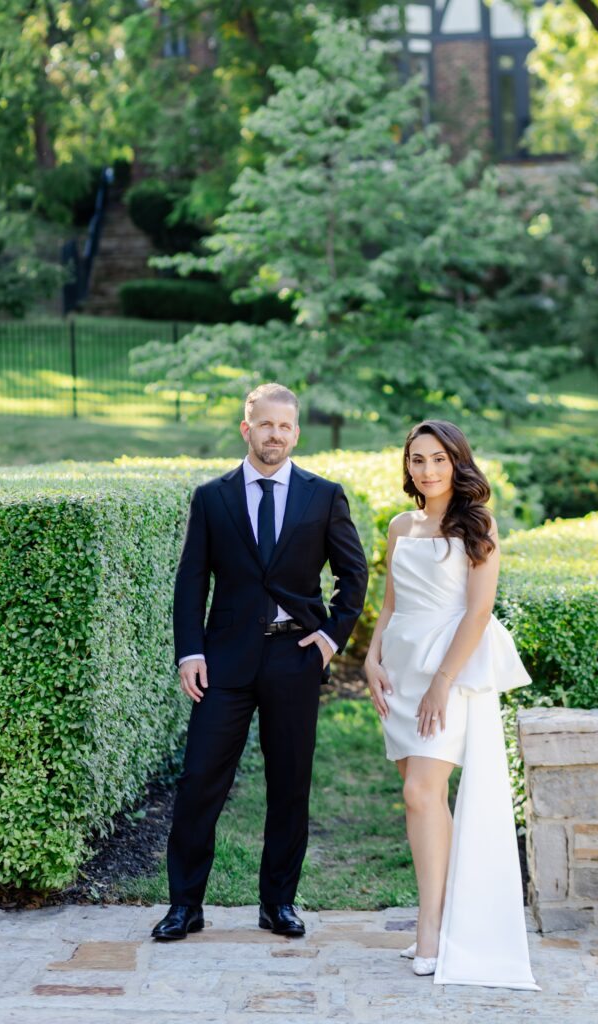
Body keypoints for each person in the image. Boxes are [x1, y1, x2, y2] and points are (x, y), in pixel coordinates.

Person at [152, 383, 368, 941]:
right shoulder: (212, 496)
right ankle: (184, 905)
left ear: (296, 433)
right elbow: (191, 580)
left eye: (286, 426)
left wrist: (328, 639)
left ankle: (278, 903)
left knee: (290, 783)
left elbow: (353, 575)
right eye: (265, 424)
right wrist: (190, 650)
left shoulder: (323, 496)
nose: (276, 434)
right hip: (224, 661)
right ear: (246, 428)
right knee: (200, 778)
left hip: (295, 657)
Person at [364, 420, 539, 989]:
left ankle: (432, 923)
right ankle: (441, 911)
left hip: (449, 668)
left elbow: (478, 611)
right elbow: (390, 602)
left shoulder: (478, 524)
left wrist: (443, 680)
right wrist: (370, 657)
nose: (427, 470)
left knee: (422, 791)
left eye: (438, 459)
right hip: (400, 667)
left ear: (457, 462)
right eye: (417, 460)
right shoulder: (398, 526)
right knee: (421, 803)